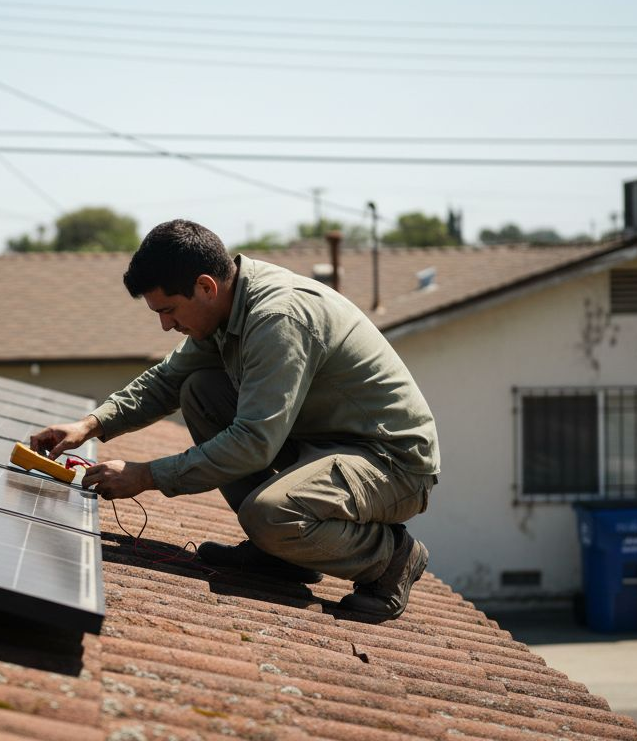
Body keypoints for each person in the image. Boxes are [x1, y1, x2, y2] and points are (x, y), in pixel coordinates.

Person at [29, 219, 440, 623]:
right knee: (200, 390)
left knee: (271, 515)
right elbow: (167, 380)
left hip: (391, 463)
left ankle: (391, 559)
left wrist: (147, 475)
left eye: (169, 310)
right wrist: (91, 425)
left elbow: (253, 442)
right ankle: (280, 555)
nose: (165, 324)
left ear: (206, 287)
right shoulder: (226, 306)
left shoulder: (279, 318)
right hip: (323, 442)